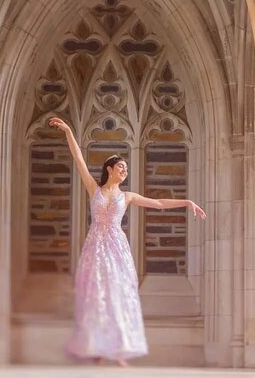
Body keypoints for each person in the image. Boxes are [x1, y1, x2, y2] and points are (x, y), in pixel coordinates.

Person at [48, 116, 207, 367]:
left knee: (118, 294)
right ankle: (96, 346)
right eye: (121, 167)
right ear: (109, 169)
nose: (124, 171)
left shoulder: (128, 196)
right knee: (97, 295)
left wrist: (187, 202)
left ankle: (118, 350)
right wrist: (68, 130)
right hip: (96, 246)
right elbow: (78, 159)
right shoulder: (94, 189)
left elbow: (157, 204)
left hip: (116, 247)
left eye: (126, 169)